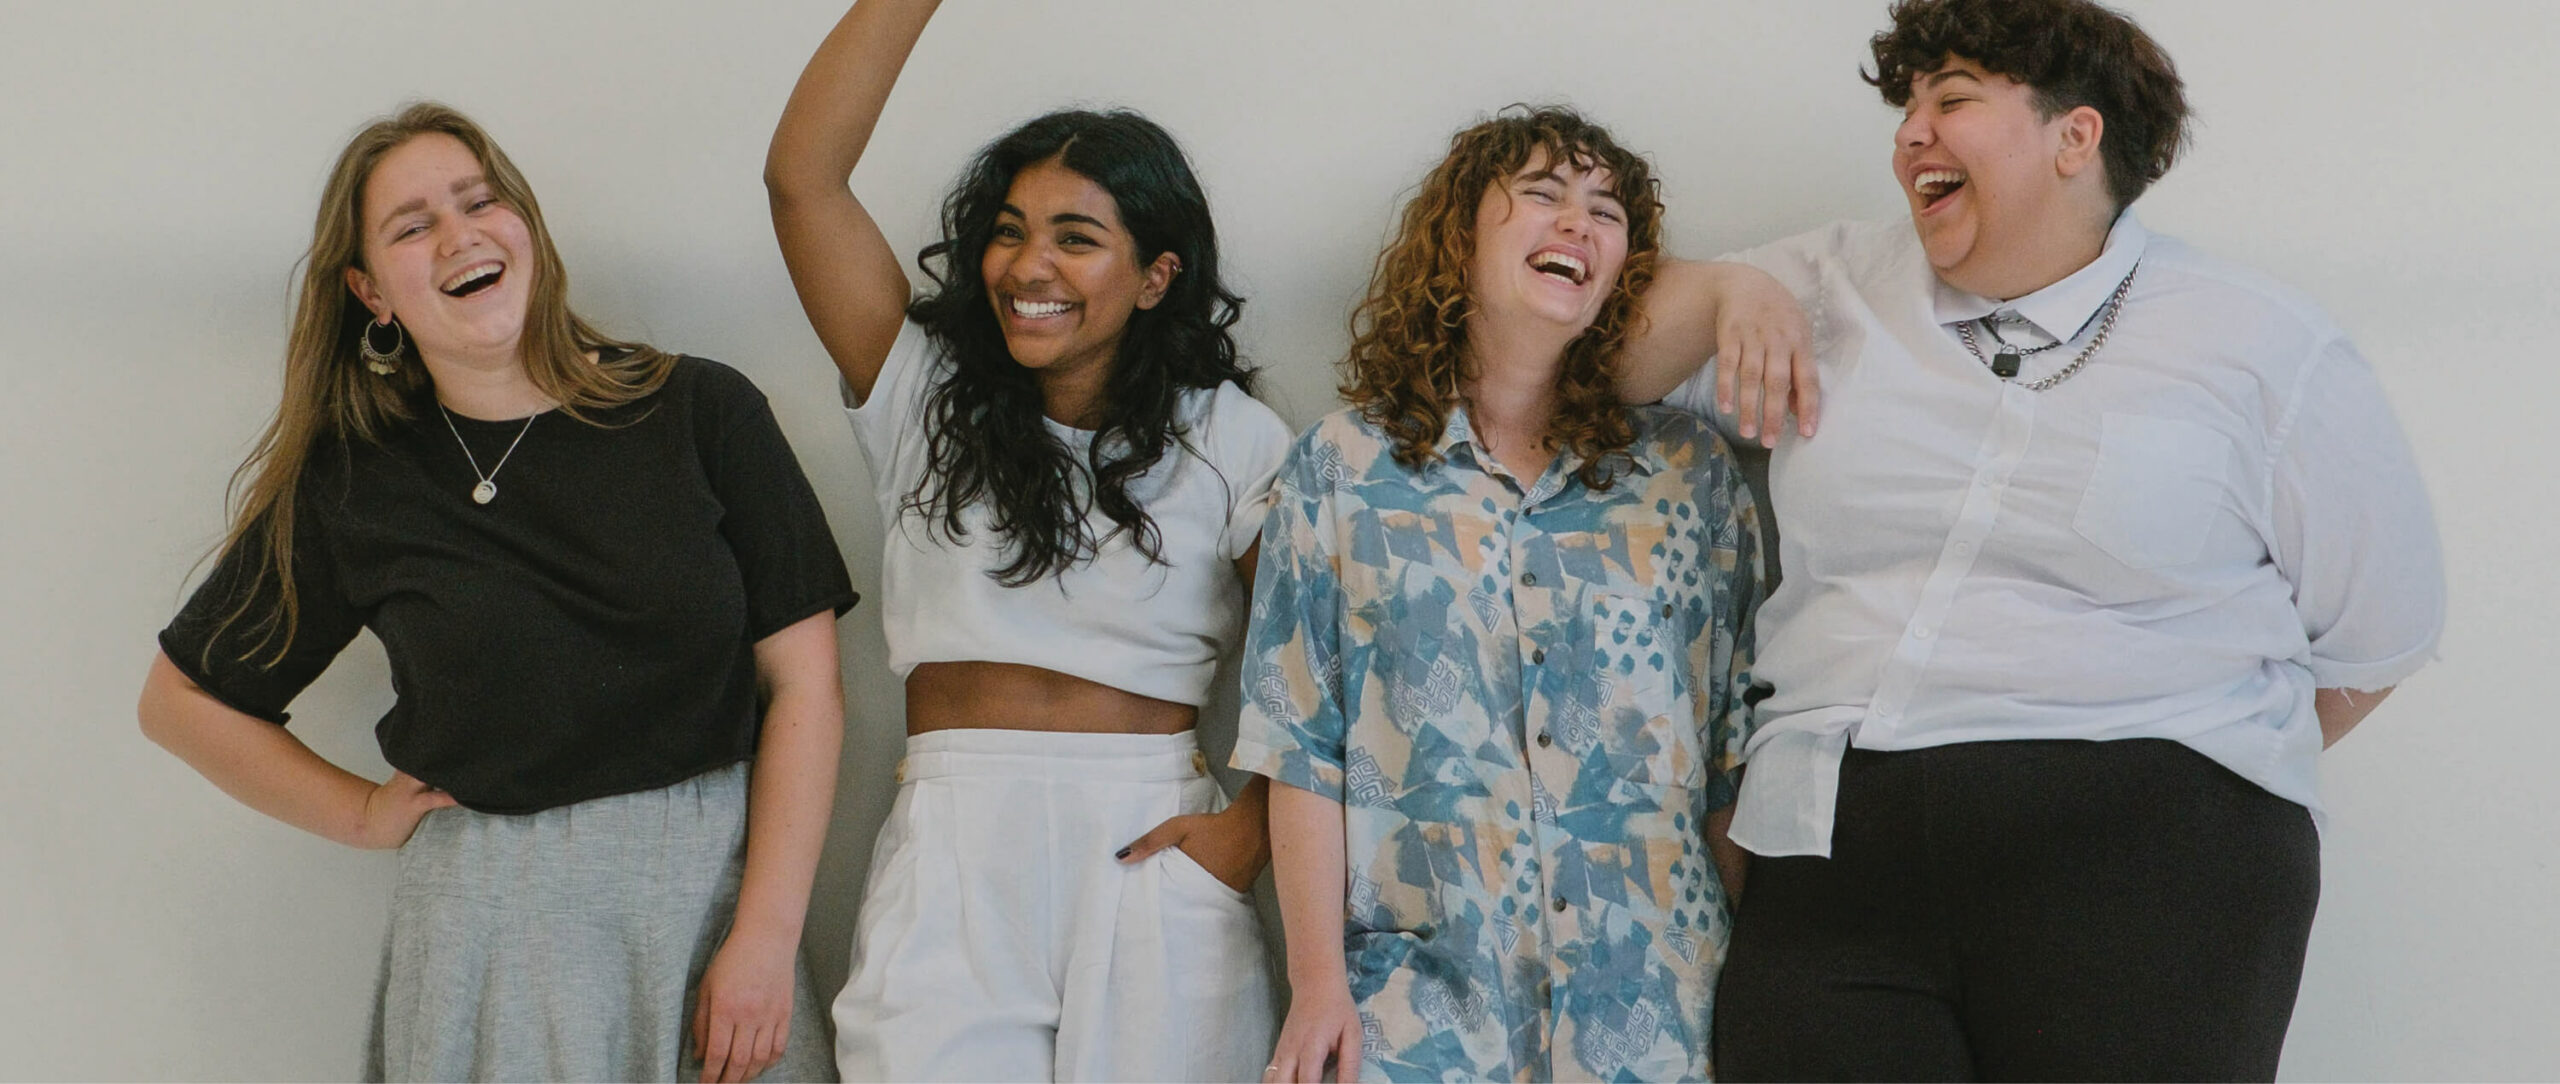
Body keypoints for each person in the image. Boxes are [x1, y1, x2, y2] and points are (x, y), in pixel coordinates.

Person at [1617, 0, 2448, 1078]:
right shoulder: (1824, 286)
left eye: (1952, 98)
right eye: (1906, 106)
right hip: (1834, 845)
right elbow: (1599, 365)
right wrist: (1726, 286)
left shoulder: (2260, 344)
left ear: (2075, 136)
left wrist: (2168, 765)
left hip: (2151, 857)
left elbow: (2379, 633)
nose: (1910, 131)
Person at [138, 102, 853, 1083]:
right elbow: (180, 702)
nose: (458, 233)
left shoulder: (701, 411)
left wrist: (766, 939)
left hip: (707, 916)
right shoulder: (358, 481)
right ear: (369, 289)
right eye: (411, 225)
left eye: (479, 200)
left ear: (525, 226)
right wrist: (358, 813)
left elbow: (807, 689)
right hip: (486, 940)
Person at [763, 2, 1285, 1079]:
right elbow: (801, 180)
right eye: (1008, 228)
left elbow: (1327, 654)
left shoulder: (1230, 435)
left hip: (1153, 838)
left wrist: (1253, 832)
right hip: (955, 837)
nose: (1027, 263)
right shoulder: (921, 391)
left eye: (1075, 237)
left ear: (1156, 275)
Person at [1240, 106, 1766, 1083]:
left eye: (1605, 210)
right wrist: (1317, 985)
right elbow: (1299, 747)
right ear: (1457, 240)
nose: (1576, 220)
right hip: (1420, 1014)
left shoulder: (1689, 476)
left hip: (1662, 1013)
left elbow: (1731, 756)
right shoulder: (1343, 468)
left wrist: (1755, 994)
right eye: (1540, 194)